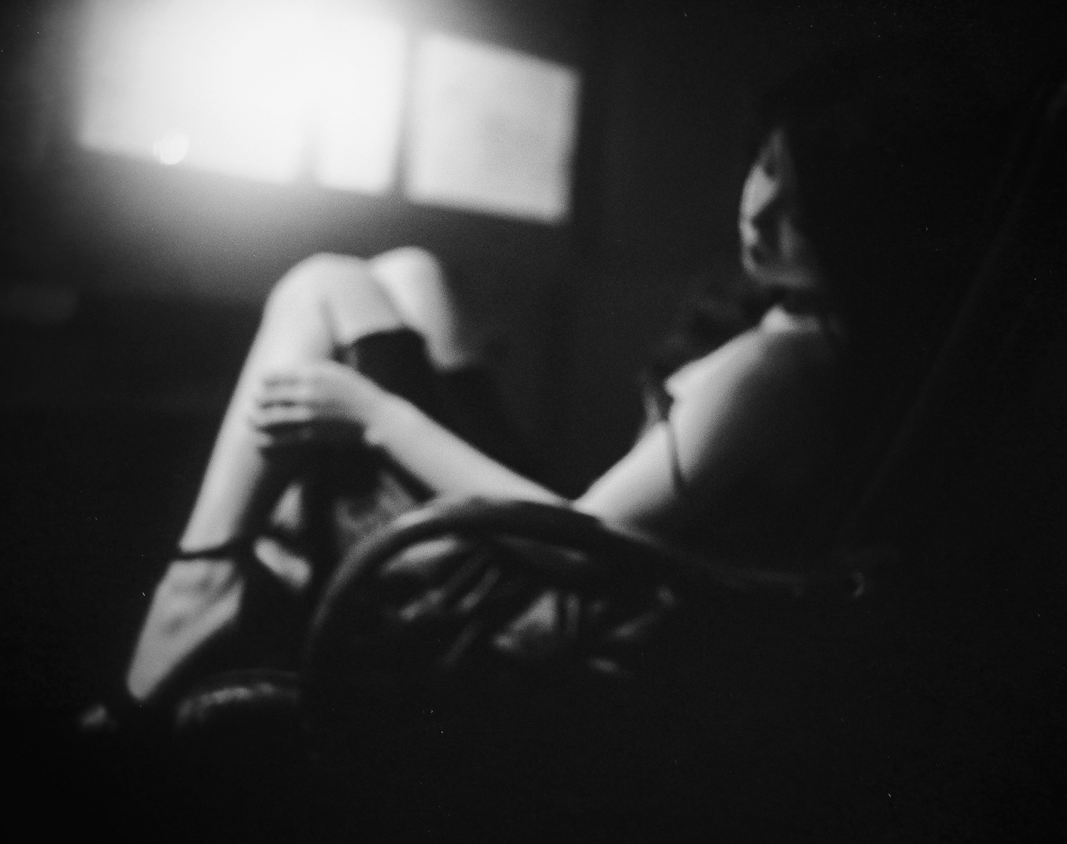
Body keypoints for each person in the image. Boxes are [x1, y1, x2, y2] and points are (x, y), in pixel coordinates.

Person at [99, 38, 1001, 726]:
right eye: (766, 166)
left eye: (800, 210)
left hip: (535, 606)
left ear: (866, 232)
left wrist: (378, 417)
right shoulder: (816, 330)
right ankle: (259, 561)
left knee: (322, 285)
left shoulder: (778, 370)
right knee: (411, 273)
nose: (758, 213)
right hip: (565, 549)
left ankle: (197, 591)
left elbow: (580, 547)